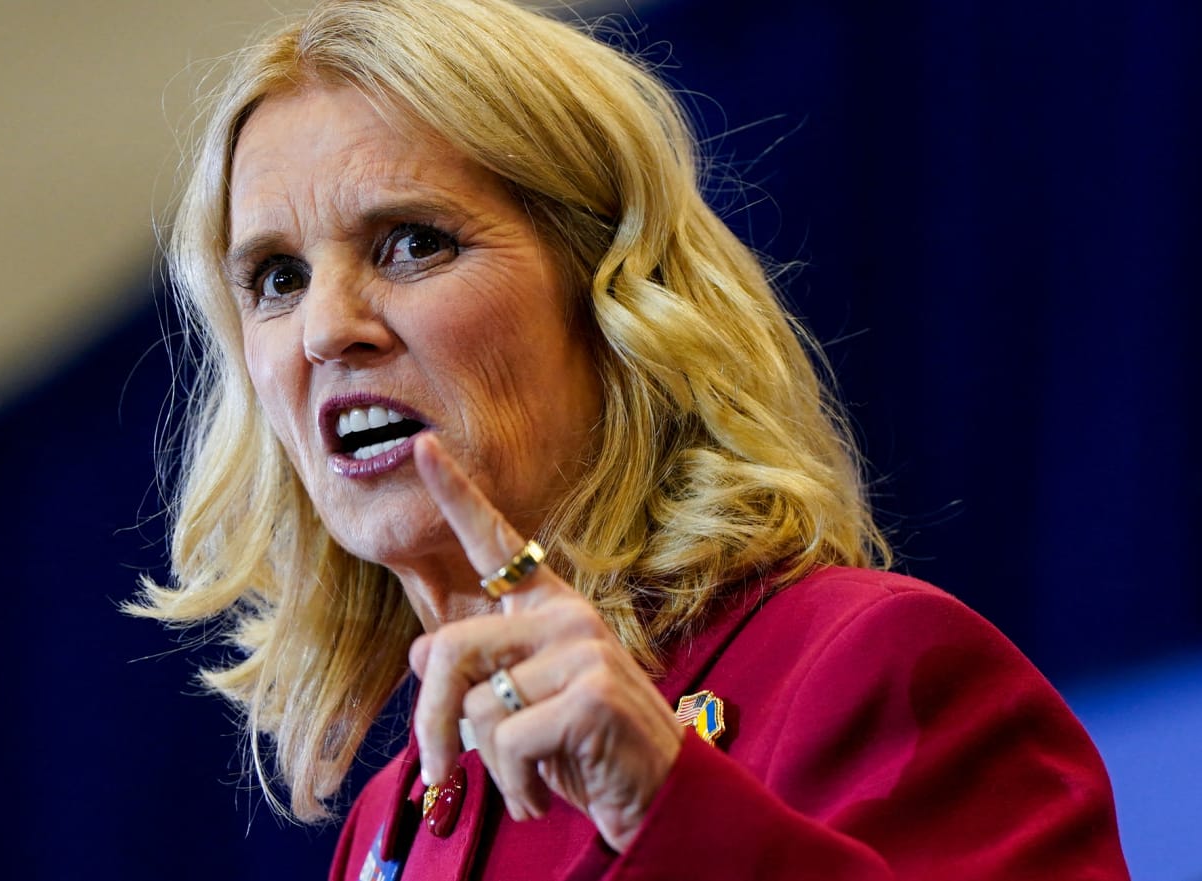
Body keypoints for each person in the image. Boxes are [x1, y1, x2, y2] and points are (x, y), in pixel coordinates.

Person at [129, 0, 1130, 877]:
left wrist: (671, 811)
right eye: (274, 277)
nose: (325, 326)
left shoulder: (866, 660)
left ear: (612, 293)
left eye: (414, 242)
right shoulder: (395, 823)